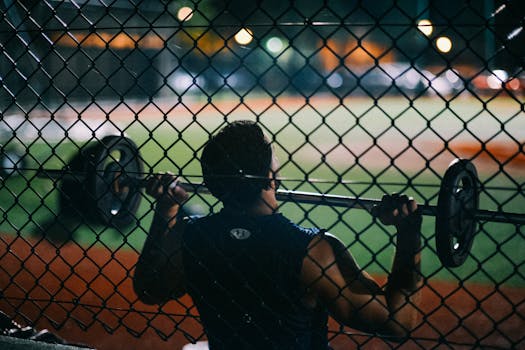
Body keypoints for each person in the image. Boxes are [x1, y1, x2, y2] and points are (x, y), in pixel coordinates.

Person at [133, 120, 423, 349]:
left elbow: (149, 290)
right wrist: (408, 233)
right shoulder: (313, 249)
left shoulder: (193, 237)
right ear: (271, 177)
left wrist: (165, 210)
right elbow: (397, 323)